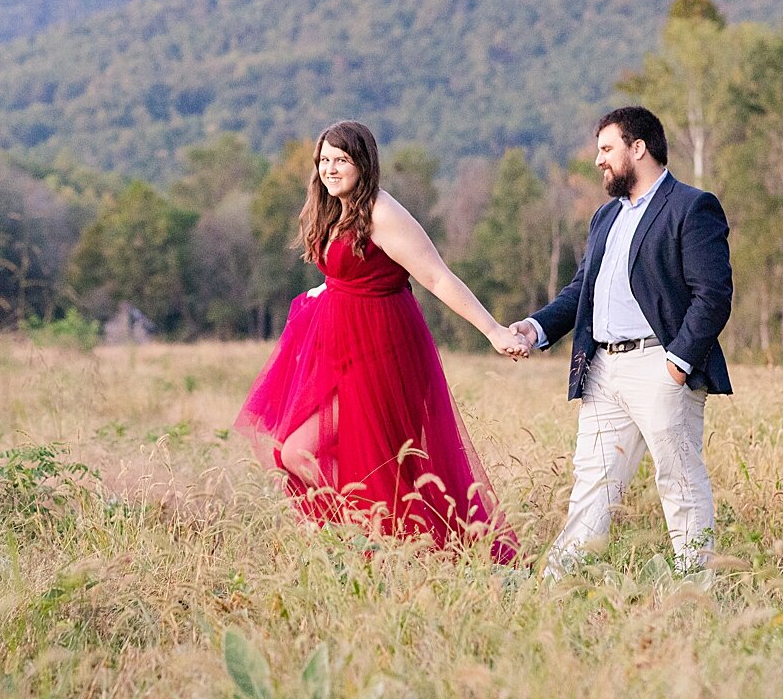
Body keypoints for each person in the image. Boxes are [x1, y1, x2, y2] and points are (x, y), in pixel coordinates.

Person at [235, 120, 526, 558]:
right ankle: (367, 547)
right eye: (325, 160)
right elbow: (350, 271)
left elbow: (435, 277)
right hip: (339, 347)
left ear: (363, 163)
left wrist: (493, 330)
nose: (330, 169)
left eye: (341, 160)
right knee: (299, 453)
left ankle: (391, 549)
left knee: (336, 456)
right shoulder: (335, 207)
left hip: (380, 349)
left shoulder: (381, 212)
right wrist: (324, 290)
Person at [510, 106, 732, 576]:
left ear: (639, 148)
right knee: (592, 484)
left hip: (661, 365)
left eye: (607, 149)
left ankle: (696, 591)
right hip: (603, 371)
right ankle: (556, 590)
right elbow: (579, 291)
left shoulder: (692, 206)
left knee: (679, 481)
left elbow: (713, 295)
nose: (598, 161)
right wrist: (536, 328)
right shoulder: (605, 217)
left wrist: (678, 363)